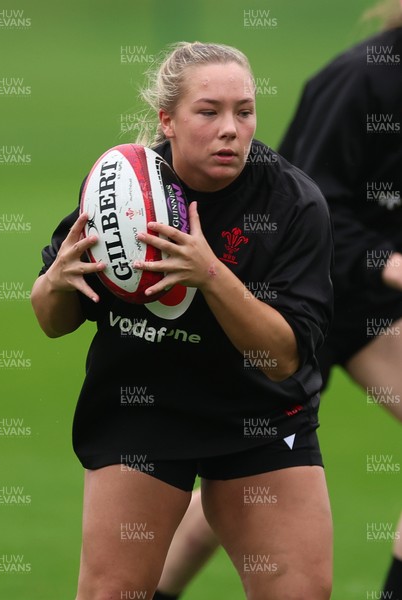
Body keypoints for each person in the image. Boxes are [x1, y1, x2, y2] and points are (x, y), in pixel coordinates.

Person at [31, 41, 334, 600]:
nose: (231, 129)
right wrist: (54, 283)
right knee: (112, 593)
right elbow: (54, 320)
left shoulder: (293, 203)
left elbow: (284, 357)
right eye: (209, 111)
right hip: (143, 408)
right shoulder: (124, 188)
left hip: (257, 414)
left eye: (244, 111)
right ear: (166, 120)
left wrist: (210, 275)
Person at [153, 4, 402, 598]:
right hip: (307, 294)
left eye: (242, 110)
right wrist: (390, 263)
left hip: (374, 308)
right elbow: (312, 208)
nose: (230, 124)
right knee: (243, 466)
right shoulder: (363, 78)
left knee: (246, 475)